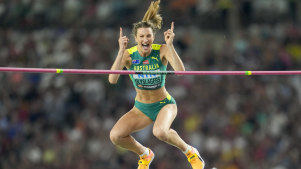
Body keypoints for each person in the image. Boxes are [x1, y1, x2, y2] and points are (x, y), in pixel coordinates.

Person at [108, 0, 205, 169]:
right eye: (142, 36)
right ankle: (145, 154)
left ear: (153, 37)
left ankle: (190, 151)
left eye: (148, 36)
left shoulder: (162, 50)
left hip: (164, 105)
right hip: (141, 109)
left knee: (160, 132)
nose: (145, 39)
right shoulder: (128, 55)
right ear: (136, 38)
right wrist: (120, 52)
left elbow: (182, 72)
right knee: (116, 136)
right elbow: (112, 80)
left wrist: (170, 45)